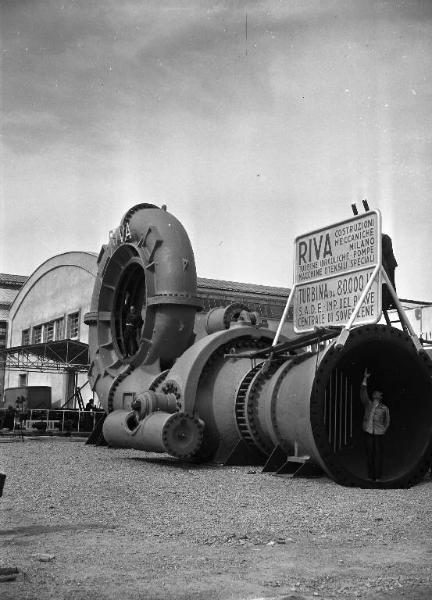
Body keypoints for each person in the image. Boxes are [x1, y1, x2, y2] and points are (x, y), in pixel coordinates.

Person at [360, 368, 390, 481]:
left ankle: (377, 476)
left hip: (378, 434)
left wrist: (383, 430)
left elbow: (387, 421)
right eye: (375, 392)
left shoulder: (384, 408)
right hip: (368, 432)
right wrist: (365, 379)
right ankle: (371, 476)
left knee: (378, 455)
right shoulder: (368, 404)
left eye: (378, 393)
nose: (375, 393)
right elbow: (363, 392)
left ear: (380, 397)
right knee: (370, 454)